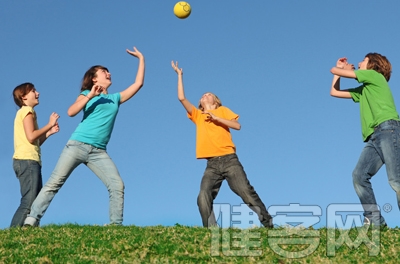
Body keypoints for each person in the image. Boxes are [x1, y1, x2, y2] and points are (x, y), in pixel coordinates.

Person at [24, 46, 145, 227]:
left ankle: (116, 225)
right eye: (104, 72)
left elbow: (138, 84)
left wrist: (141, 59)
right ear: (94, 78)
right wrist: (90, 96)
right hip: (76, 146)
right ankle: (31, 220)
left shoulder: (115, 98)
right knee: (55, 182)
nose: (109, 73)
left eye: (108, 71)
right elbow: (71, 112)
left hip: (98, 152)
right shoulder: (86, 94)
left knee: (117, 185)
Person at [171, 61, 273, 228]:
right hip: (212, 164)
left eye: (209, 94)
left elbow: (237, 126)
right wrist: (180, 76)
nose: (205, 95)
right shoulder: (198, 115)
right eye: (202, 95)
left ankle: (268, 223)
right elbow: (181, 98)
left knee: (246, 192)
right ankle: (211, 230)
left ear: (216, 101)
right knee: (203, 195)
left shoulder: (222, 110)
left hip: (230, 160)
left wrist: (217, 118)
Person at [330, 53, 400, 227]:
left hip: (388, 129)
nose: (359, 62)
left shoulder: (374, 76)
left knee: (395, 179)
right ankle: (374, 219)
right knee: (359, 175)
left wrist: (339, 68)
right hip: (374, 137)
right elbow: (334, 92)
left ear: (372, 65)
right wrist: (338, 73)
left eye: (363, 60)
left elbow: (333, 70)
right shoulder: (364, 90)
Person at [11, 83, 60, 227]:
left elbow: (34, 141)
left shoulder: (27, 112)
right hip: (27, 161)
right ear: (24, 97)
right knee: (29, 201)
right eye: (33, 91)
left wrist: (48, 134)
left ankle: (28, 233)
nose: (37, 93)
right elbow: (31, 136)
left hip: (29, 160)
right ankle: (14, 234)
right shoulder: (27, 111)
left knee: (35, 202)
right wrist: (49, 124)